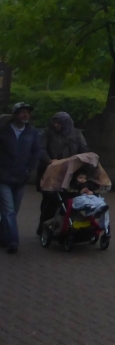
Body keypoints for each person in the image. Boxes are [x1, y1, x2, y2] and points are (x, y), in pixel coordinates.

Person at [0, 102, 43, 254]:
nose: (25, 115)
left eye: (27, 112)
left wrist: (29, 168)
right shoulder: (4, 131)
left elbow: (37, 151)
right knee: (8, 210)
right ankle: (13, 242)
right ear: (15, 114)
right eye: (22, 112)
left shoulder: (32, 132)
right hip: (4, 177)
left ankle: (3, 236)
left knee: (13, 211)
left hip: (21, 178)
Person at [37, 112, 89, 235]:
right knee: (49, 201)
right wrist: (50, 160)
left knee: (67, 200)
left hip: (70, 172)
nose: (56, 125)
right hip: (51, 171)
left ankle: (64, 226)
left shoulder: (76, 134)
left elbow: (84, 150)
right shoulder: (48, 133)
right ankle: (44, 227)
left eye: (59, 123)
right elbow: (40, 149)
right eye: (55, 122)